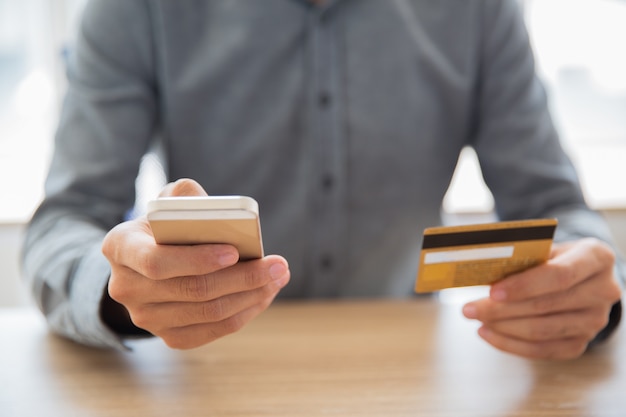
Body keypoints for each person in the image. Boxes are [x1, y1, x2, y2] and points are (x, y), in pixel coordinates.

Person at [22, 0, 623, 360]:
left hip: (410, 381)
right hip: (211, 379)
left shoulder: (479, 10)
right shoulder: (135, 9)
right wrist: (120, 293)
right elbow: (64, 223)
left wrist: (590, 287)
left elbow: (556, 210)